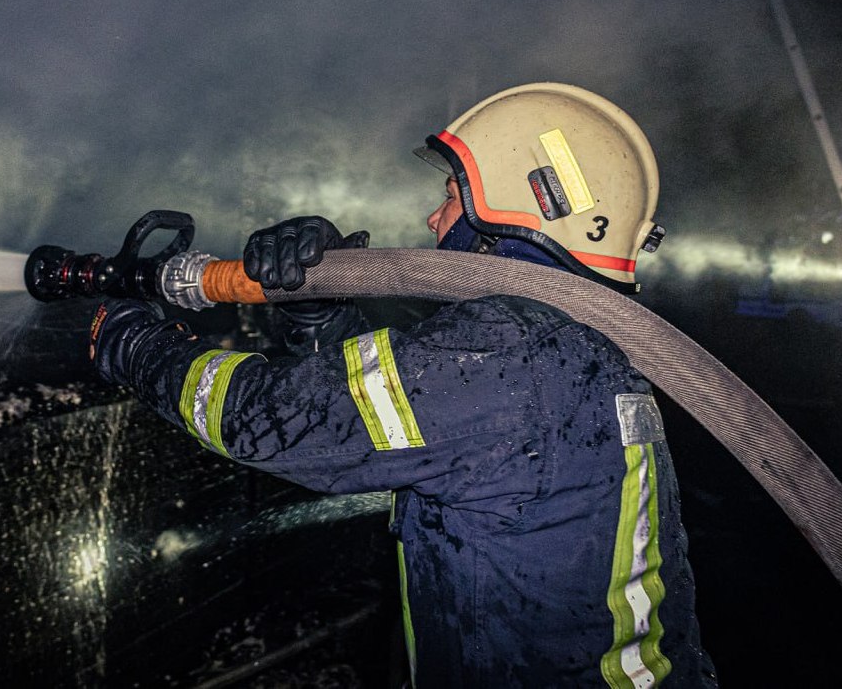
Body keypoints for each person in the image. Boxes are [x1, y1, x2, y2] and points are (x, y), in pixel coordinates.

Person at [90, 83, 718, 687]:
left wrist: (136, 345)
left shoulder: (515, 348)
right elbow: (394, 420)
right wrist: (321, 313)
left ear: (522, 202)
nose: (431, 216)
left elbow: (276, 419)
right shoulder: (564, 345)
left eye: (450, 195)